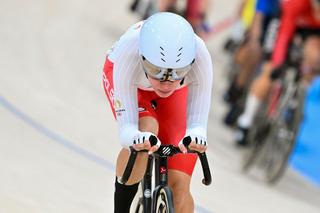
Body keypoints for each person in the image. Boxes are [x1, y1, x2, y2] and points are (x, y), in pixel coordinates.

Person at [102, 12, 213, 213]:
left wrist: (197, 137)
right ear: (143, 57)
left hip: (177, 94)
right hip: (130, 83)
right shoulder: (129, 51)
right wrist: (136, 138)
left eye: (177, 72)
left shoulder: (201, 56)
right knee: (147, 129)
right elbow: (127, 129)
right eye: (156, 70)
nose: (166, 82)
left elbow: (198, 125)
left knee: (179, 189)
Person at [235, 0, 320, 145]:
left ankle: (297, 98)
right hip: (286, 21)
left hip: (311, 31)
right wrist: (277, 64)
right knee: (270, 70)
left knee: (315, 58)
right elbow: (283, 36)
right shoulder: (297, 4)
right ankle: (246, 121)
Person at [223, 0, 280, 126]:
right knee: (253, 51)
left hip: (290, 22)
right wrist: (254, 40)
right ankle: (238, 91)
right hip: (269, 17)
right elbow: (259, 16)